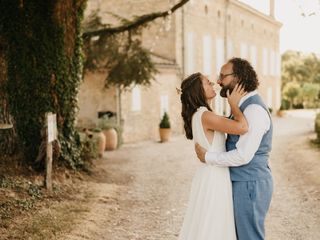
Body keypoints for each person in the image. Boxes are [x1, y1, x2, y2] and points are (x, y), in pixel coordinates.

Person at [195, 57, 273, 240]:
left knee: (249, 237)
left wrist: (209, 157)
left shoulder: (254, 110)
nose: (219, 81)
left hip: (250, 183)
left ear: (238, 78)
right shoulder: (241, 106)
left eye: (223, 76)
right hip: (243, 182)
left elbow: (243, 156)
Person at [177, 72, 248, 240]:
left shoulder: (200, 114)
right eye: (208, 83)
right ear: (198, 91)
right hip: (214, 177)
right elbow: (242, 127)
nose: (213, 84)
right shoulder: (206, 115)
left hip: (210, 174)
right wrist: (234, 104)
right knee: (213, 227)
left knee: (209, 225)